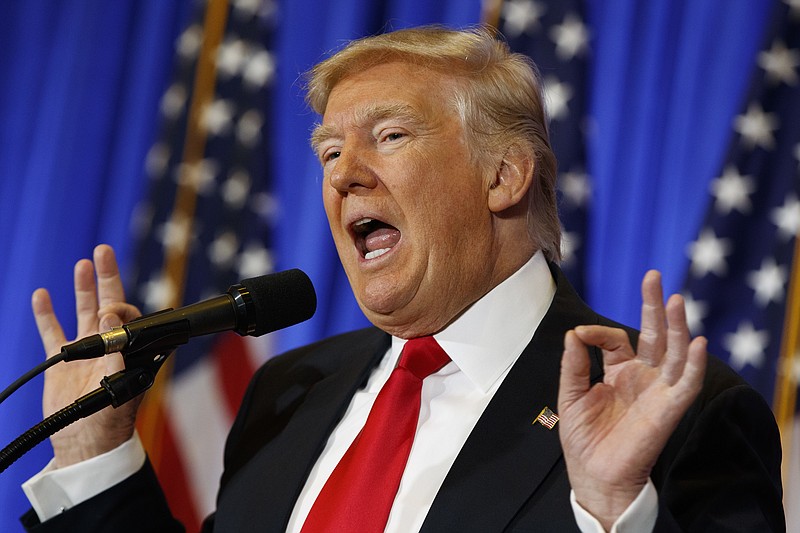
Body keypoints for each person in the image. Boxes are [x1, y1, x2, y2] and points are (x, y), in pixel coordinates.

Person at [21, 26, 783, 532]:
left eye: (389, 135)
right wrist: (95, 456)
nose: (345, 173)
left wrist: (613, 511)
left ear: (504, 174)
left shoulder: (667, 412)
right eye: (327, 153)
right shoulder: (285, 394)